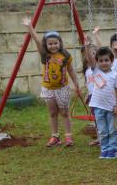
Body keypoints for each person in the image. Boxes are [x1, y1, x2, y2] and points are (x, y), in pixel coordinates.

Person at [22, 18, 80, 147]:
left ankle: (68, 137)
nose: (53, 46)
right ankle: (55, 137)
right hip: (48, 88)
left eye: (55, 43)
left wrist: (76, 83)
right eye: (50, 44)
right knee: (53, 112)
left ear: (60, 43)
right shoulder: (45, 55)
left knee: (64, 112)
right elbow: (37, 40)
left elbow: (70, 70)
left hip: (62, 88)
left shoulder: (65, 55)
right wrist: (30, 27)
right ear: (46, 45)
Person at [86, 46, 117, 159]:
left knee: (112, 129)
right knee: (102, 130)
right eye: (101, 61)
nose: (104, 63)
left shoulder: (115, 75)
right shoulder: (96, 71)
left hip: (111, 107)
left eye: (106, 60)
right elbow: (90, 58)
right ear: (97, 62)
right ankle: (104, 149)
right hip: (98, 107)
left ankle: (112, 150)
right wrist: (87, 46)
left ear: (112, 61)